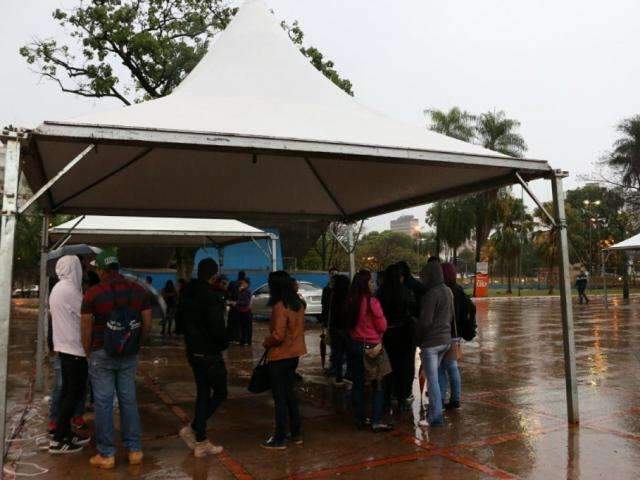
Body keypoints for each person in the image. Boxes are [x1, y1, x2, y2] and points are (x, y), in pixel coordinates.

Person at [81, 249, 152, 469]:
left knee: (103, 403)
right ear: (117, 268)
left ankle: (107, 454)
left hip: (101, 353)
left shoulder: (93, 293)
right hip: (128, 352)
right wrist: (137, 344)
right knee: (128, 399)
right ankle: (135, 450)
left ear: (102, 270)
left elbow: (85, 326)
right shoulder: (139, 291)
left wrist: (87, 351)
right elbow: (147, 322)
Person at [178, 259, 228, 457]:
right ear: (214, 275)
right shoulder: (210, 297)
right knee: (221, 392)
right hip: (209, 353)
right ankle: (195, 429)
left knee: (203, 392)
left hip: (193, 351)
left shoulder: (187, 293)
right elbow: (217, 327)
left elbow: (179, 322)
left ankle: (200, 441)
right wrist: (224, 342)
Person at [48, 256, 91, 454]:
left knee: (67, 392)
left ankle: (65, 433)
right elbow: (86, 312)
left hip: (64, 348)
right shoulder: (70, 291)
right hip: (75, 349)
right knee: (73, 395)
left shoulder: (58, 288)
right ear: (74, 269)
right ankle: (59, 439)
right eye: (79, 267)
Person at [261, 271, 307, 450]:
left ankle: (279, 438)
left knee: (279, 399)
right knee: (290, 396)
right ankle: (296, 433)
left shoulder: (280, 306)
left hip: (279, 356)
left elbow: (278, 335)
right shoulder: (298, 304)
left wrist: (267, 342)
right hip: (293, 356)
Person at [347, 270, 392, 432]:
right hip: (372, 348)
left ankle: (359, 419)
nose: (373, 284)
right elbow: (382, 326)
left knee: (358, 383)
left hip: (355, 344)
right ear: (365, 284)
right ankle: (376, 420)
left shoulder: (351, 301)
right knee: (378, 384)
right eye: (370, 282)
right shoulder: (372, 302)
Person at [416, 261, 454, 427]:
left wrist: (418, 338)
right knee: (436, 379)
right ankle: (436, 412)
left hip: (431, 343)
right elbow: (451, 316)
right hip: (445, 341)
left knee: (432, 381)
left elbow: (425, 322)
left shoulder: (431, 294)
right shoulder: (448, 291)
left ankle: (435, 417)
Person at [377, 264, 416, 411]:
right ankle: (403, 396)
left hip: (387, 335)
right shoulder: (406, 292)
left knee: (387, 367)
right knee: (405, 366)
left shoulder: (380, 293)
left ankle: (388, 396)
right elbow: (413, 309)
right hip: (406, 335)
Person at [439, 263, 475, 410]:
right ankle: (455, 398)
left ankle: (440, 398)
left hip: (443, 333)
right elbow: (472, 307)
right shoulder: (458, 290)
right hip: (455, 334)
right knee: (452, 366)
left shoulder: (443, 291)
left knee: (440, 368)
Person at [396, 261, 425, 401]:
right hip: (410, 329)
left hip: (397, 331)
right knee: (407, 361)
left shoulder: (390, 289)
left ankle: (398, 391)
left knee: (398, 362)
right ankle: (406, 391)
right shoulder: (416, 286)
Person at [227, 271, 246, 343]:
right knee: (239, 323)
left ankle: (230, 337)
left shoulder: (232, 283)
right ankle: (238, 338)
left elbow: (228, 292)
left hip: (233, 305)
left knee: (231, 322)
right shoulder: (244, 285)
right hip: (240, 306)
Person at [236, 277, 253, 346]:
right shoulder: (242, 291)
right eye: (241, 283)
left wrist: (237, 303)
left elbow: (246, 302)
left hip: (246, 311)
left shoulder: (247, 291)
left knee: (247, 327)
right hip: (241, 311)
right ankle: (242, 341)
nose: (242, 284)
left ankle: (248, 342)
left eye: (243, 283)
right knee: (242, 327)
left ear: (247, 284)